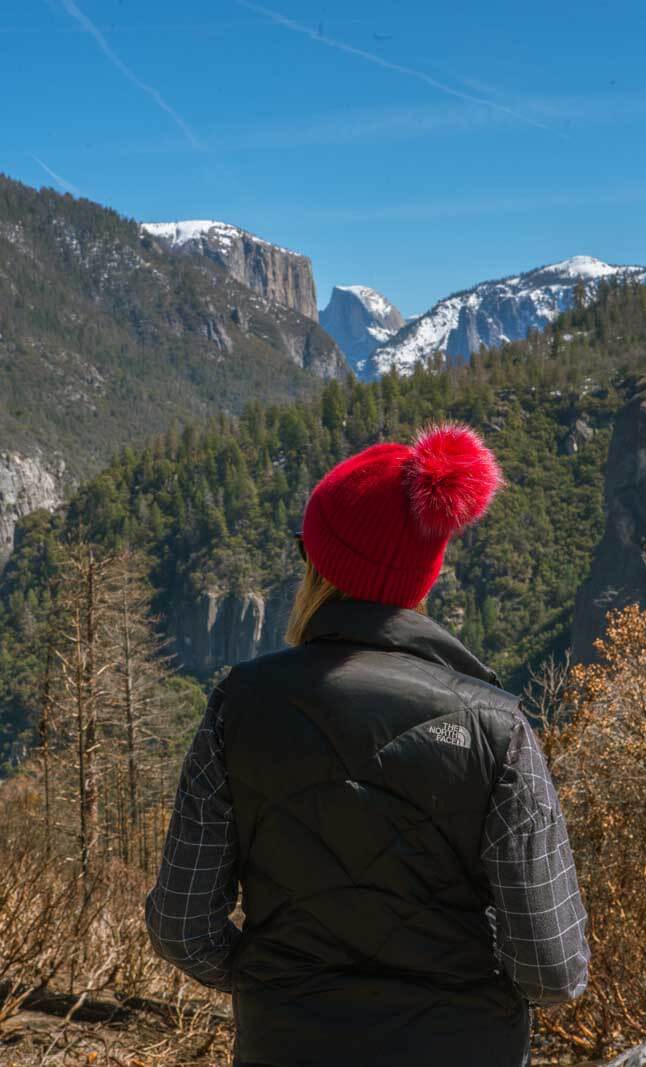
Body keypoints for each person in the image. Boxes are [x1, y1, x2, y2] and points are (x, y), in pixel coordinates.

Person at [146, 421, 591, 1067]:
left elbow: (183, 924)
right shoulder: (499, 728)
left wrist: (275, 977)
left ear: (319, 566)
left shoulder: (238, 704)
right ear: (424, 576)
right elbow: (552, 967)